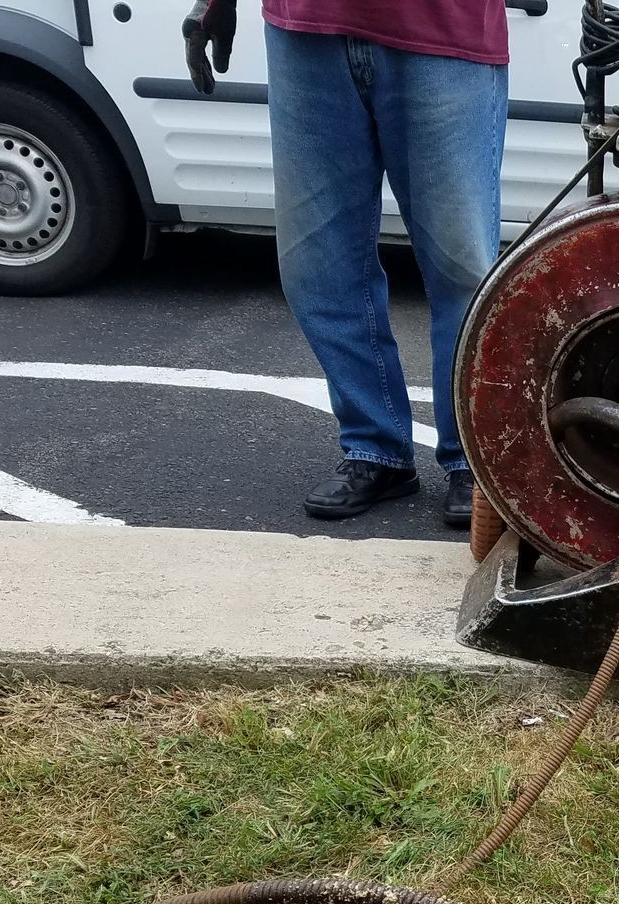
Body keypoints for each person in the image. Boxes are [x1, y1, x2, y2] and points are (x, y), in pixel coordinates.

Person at [183, 0, 508, 525]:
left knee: (464, 270)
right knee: (319, 264)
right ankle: (374, 447)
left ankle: (473, 457)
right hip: (307, 29)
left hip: (444, 28)